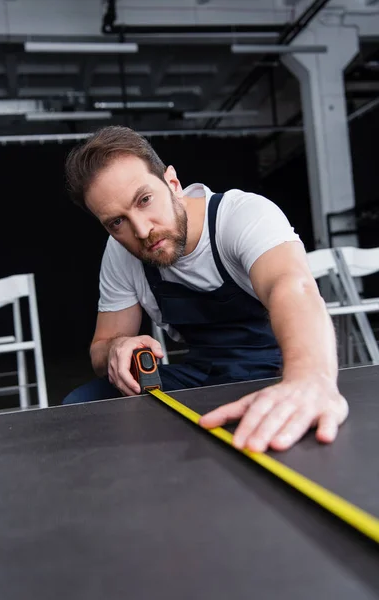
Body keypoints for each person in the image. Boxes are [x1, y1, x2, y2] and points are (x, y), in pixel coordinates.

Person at [63, 125, 348, 453]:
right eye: (116, 222)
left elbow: (293, 288)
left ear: (172, 183)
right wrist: (116, 348)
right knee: (81, 404)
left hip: (276, 371)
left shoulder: (243, 216)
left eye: (144, 200)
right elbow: (100, 348)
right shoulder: (119, 253)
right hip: (202, 375)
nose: (141, 230)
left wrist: (309, 378)